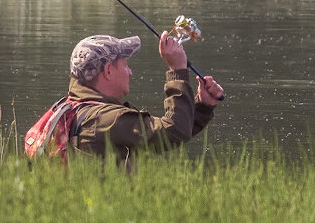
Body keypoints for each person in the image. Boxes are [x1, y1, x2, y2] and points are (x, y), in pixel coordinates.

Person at [65, 32, 224, 168]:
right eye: (125, 65)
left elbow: (163, 136)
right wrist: (177, 70)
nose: (130, 72)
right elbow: (174, 132)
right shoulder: (106, 120)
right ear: (108, 71)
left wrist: (203, 107)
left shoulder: (71, 109)